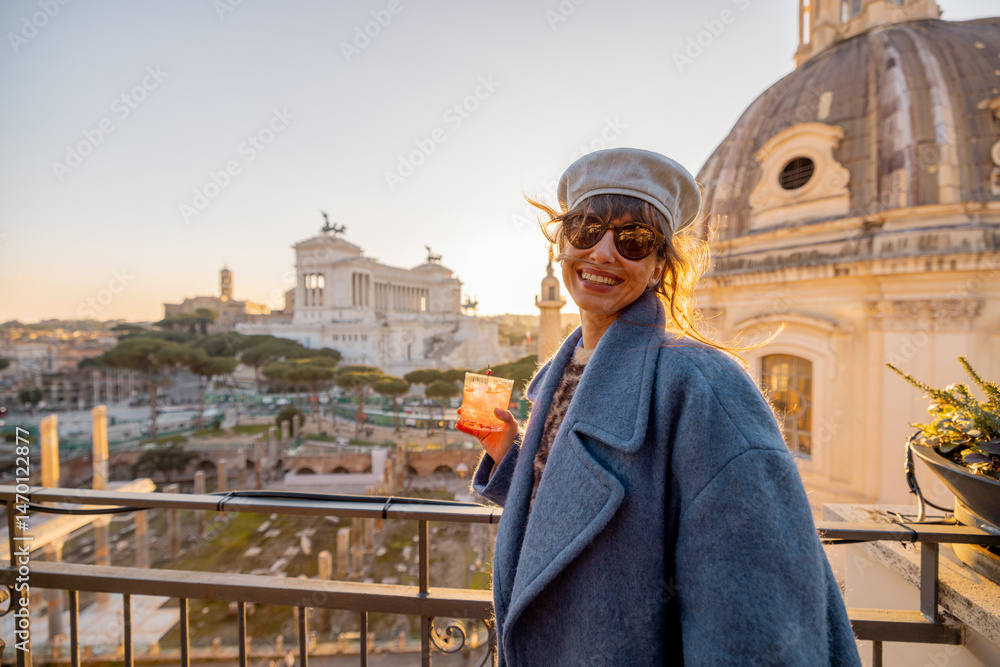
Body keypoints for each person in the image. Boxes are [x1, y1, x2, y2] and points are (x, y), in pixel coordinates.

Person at [459, 148, 861, 665]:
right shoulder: (564, 373)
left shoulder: (704, 384)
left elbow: (753, 619)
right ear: (562, 246)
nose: (603, 254)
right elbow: (578, 515)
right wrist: (510, 456)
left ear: (658, 268)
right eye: (585, 230)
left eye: (633, 241)